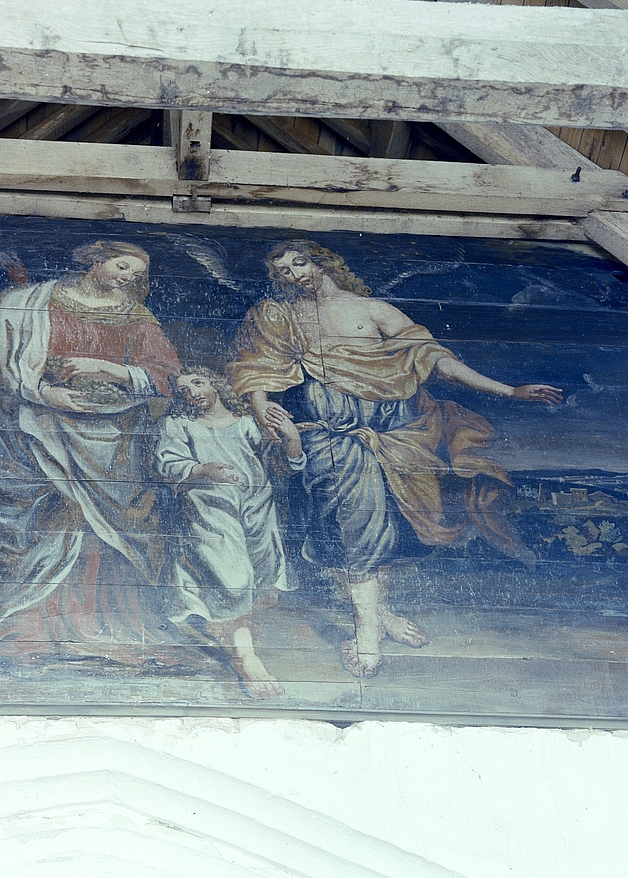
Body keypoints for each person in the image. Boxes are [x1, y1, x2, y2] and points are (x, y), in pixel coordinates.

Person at [227, 240, 563, 678]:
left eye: (300, 263)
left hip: (398, 437)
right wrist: (260, 407)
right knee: (353, 531)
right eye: (284, 271)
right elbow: (256, 367)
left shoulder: (374, 310)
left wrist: (509, 390)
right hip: (331, 441)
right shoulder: (279, 316)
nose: (295, 274)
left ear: (323, 262)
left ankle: (378, 614)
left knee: (391, 529)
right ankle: (366, 631)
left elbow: (438, 362)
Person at [0, 240, 185, 667]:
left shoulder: (135, 315)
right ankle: (31, 631)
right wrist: (43, 393)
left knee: (112, 531)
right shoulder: (27, 301)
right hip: (38, 431)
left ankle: (112, 627)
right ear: (95, 260)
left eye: (136, 274)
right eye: (122, 267)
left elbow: (167, 376)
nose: (128, 278)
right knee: (54, 519)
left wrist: (110, 369)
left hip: (116, 438)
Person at [155, 367, 305, 698]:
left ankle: (239, 641)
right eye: (184, 390)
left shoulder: (248, 423)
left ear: (216, 385)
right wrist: (204, 469)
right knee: (233, 577)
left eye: (198, 383)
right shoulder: (178, 424)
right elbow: (167, 464)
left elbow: (280, 464)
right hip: (207, 506)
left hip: (256, 506)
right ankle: (247, 657)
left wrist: (292, 439)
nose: (193, 392)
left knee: (256, 574)